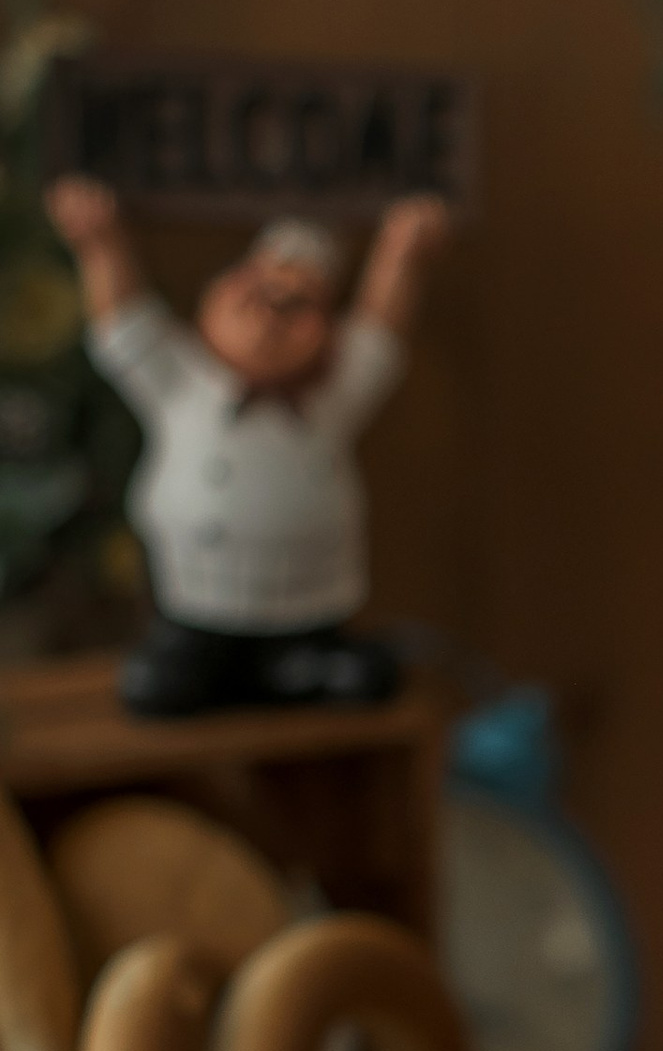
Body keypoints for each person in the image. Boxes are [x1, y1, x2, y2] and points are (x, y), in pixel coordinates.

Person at [43, 174, 449, 714]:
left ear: (328, 330)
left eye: (294, 305)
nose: (267, 316)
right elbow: (124, 324)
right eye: (254, 293)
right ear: (212, 298)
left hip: (308, 608)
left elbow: (379, 331)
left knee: (358, 681)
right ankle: (203, 662)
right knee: (160, 689)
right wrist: (101, 243)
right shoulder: (181, 382)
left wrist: (402, 254)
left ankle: (294, 664)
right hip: (195, 605)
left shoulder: (331, 397)